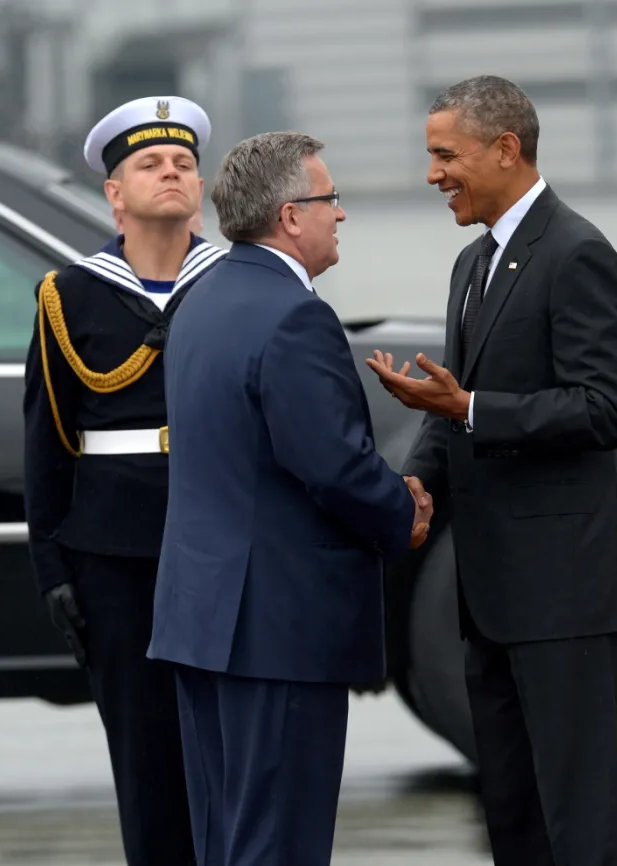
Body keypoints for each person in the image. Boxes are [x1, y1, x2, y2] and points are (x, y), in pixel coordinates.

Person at [366, 75, 617, 866]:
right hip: (494, 595)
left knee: (584, 819)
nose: (433, 174)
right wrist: (420, 477)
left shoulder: (577, 254)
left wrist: (468, 410)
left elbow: (605, 407)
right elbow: (456, 402)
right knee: (516, 816)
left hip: (569, 591)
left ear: (506, 149)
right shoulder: (474, 265)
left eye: (444, 155)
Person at [147, 131, 432, 866]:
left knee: (227, 841)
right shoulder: (295, 317)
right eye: (329, 199)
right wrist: (403, 513)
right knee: (278, 844)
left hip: (204, 622)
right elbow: (332, 465)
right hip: (276, 629)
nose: (341, 214)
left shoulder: (200, 301)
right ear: (289, 215)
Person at [21, 95, 226, 866]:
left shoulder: (234, 283)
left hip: (222, 543)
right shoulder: (67, 297)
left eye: (183, 164)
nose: (171, 173)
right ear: (115, 193)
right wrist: (53, 571)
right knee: (144, 760)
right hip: (115, 557)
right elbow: (47, 447)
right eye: (150, 164)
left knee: (229, 749)